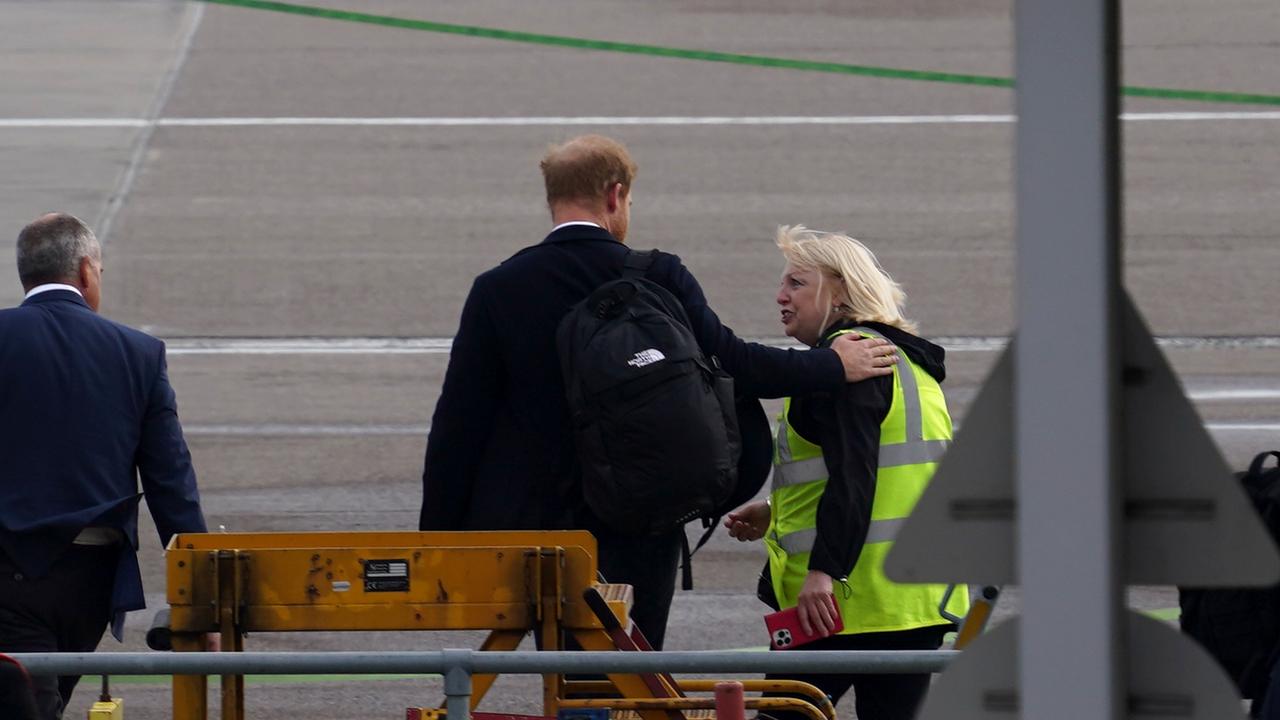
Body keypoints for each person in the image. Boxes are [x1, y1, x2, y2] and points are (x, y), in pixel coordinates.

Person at [419, 135, 899, 650]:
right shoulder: (656, 274)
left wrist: (438, 546)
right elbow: (735, 364)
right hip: (642, 514)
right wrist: (831, 365)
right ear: (615, 196)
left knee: (565, 671)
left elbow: (459, 424)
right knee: (633, 674)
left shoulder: (499, 288)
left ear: (552, 198)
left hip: (542, 531)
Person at [725, 225, 968, 720]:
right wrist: (776, 510)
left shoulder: (849, 363)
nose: (780, 295)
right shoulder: (907, 363)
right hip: (913, 600)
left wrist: (824, 571)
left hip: (843, 602)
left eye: (796, 282)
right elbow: (889, 475)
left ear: (838, 291)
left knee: (783, 715)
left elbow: (855, 474)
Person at [0, 213, 209, 719]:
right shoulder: (138, 353)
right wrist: (202, 598)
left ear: (25, 273)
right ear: (88, 272)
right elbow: (170, 482)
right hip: (89, 585)